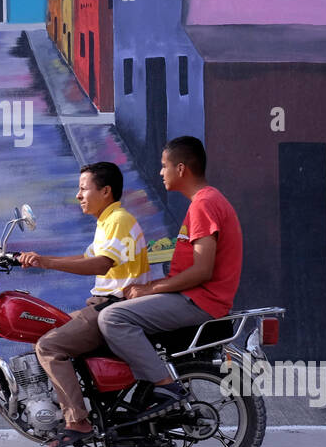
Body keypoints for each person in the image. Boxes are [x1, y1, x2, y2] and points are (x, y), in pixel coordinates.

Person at [97, 136, 243, 421]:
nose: (160, 172)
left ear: (181, 169)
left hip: (199, 301)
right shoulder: (207, 201)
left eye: (164, 166)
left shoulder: (204, 204)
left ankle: (165, 388)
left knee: (112, 319)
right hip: (192, 297)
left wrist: (150, 288)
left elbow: (203, 270)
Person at [17, 162, 149, 447]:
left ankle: (77, 421)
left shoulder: (118, 219)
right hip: (105, 304)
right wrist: (40, 259)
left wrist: (47, 262)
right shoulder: (108, 221)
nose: (78, 195)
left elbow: (101, 263)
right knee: (51, 327)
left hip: (113, 306)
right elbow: (86, 257)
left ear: (105, 190)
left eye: (83, 188)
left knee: (49, 346)